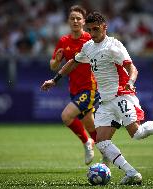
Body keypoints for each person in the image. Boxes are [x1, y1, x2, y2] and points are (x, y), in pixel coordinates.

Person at [41, 12, 153, 185]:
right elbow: (73, 62)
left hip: (122, 95)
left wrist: (130, 82)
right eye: (90, 30)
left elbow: (132, 68)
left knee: (137, 134)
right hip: (106, 101)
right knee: (101, 142)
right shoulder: (88, 47)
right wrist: (55, 80)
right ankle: (132, 173)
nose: (93, 33)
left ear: (104, 28)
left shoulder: (113, 46)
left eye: (96, 29)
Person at [49, 5, 99, 165]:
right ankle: (107, 151)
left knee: (66, 116)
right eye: (72, 18)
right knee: (91, 127)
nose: (75, 21)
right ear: (68, 21)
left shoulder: (90, 39)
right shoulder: (64, 41)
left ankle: (86, 143)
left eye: (78, 18)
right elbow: (53, 65)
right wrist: (56, 60)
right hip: (74, 89)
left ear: (84, 21)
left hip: (90, 87)